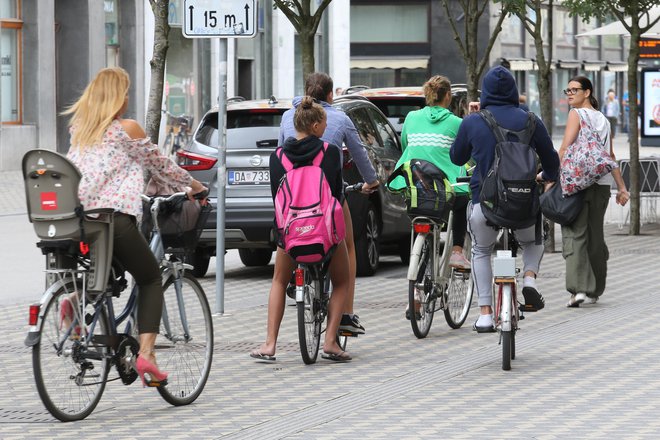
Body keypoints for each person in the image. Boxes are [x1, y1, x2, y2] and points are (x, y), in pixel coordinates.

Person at [64, 67, 208, 386]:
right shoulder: (126, 128)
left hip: (78, 219)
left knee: (104, 279)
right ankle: (147, 355)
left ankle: (75, 298)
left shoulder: (80, 128)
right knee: (150, 277)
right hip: (113, 218)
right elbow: (161, 165)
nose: (128, 98)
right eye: (126, 92)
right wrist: (195, 186)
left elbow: (118, 167)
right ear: (116, 97)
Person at [450, 66, 559, 332]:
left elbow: (456, 157)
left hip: (485, 205)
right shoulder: (532, 120)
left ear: (485, 91)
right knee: (534, 239)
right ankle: (530, 278)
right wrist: (543, 175)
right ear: (513, 91)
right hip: (523, 204)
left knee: (480, 250)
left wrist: (469, 122)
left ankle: (485, 313)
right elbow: (553, 163)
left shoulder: (474, 121)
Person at [251, 96, 352, 362]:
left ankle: (270, 344)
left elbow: (277, 198)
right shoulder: (329, 152)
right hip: (324, 235)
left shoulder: (278, 157)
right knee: (342, 280)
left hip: (291, 235)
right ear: (317, 125)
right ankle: (330, 341)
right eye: (325, 123)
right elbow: (335, 192)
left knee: (278, 280)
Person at [279, 72, 380, 336]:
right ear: (330, 95)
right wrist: (371, 181)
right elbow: (359, 154)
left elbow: (281, 155)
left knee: (286, 243)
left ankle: (293, 274)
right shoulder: (338, 118)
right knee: (347, 244)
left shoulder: (286, 116)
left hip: (292, 200)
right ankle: (345, 313)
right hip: (326, 197)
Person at [559, 77, 629, 307]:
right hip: (601, 185)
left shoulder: (576, 114)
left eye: (574, 90)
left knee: (576, 234)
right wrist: (621, 187)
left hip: (578, 183)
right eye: (567, 90)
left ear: (586, 92)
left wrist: (551, 176)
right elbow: (610, 157)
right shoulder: (604, 120)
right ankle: (595, 289)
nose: (570, 94)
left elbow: (566, 147)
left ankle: (579, 289)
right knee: (595, 237)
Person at [390, 75, 471, 271]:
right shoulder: (457, 123)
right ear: (448, 96)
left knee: (425, 217)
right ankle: (457, 252)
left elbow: (405, 146)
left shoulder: (411, 118)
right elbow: (464, 155)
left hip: (417, 184)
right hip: (446, 187)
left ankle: (418, 289)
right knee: (462, 201)